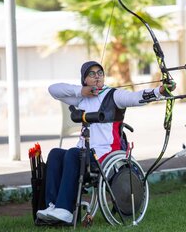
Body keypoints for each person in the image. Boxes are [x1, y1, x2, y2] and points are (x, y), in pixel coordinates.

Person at [35, 60, 176, 224]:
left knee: (74, 154)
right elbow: (53, 90)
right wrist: (81, 91)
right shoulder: (81, 99)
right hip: (83, 153)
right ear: (85, 80)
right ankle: (53, 207)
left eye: (100, 73)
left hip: (104, 155)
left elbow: (136, 97)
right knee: (55, 154)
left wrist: (160, 90)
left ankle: (65, 210)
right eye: (92, 74)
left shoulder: (114, 95)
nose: (97, 77)